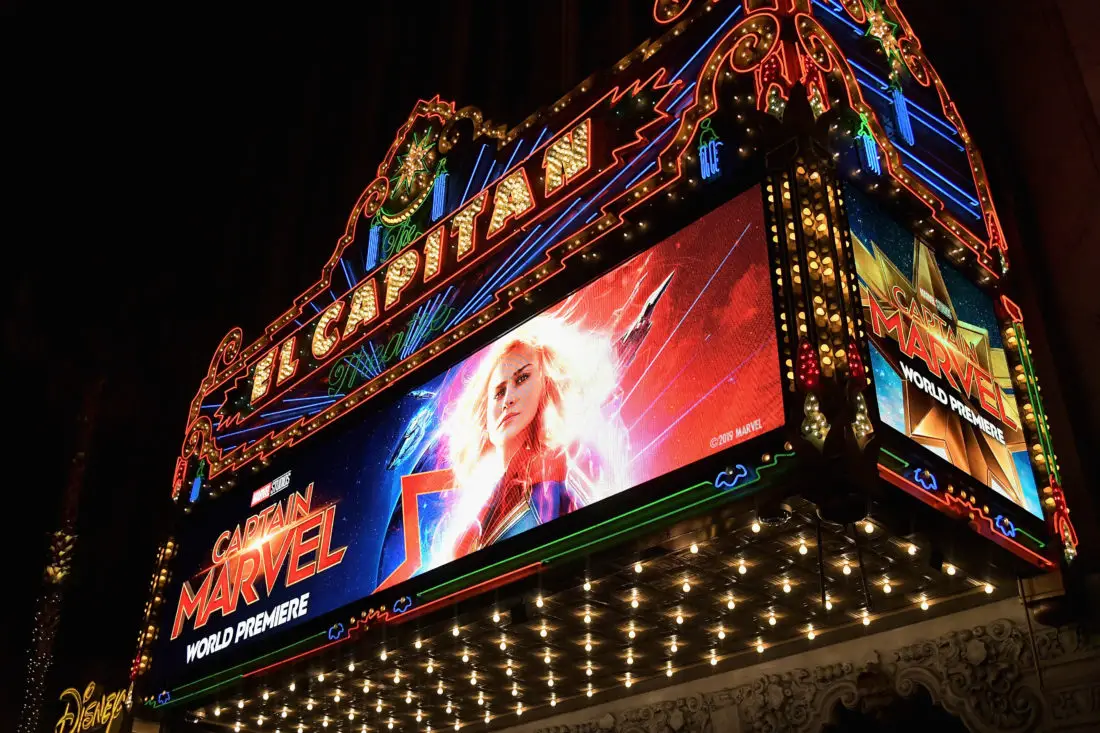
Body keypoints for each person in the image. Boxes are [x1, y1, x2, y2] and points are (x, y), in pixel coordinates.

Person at [424, 313, 630, 563]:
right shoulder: (477, 516)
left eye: (522, 379)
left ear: (545, 384)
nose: (507, 399)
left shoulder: (556, 471)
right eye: (498, 392)